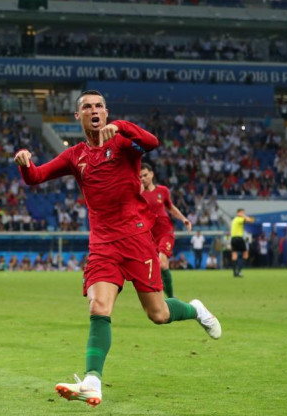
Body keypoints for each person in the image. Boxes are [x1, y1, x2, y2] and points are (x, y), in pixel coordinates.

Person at [14, 90, 220, 407]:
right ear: (77, 116)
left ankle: (195, 310)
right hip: (102, 245)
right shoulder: (74, 156)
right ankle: (93, 381)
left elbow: (152, 143)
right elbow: (36, 177)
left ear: (106, 113)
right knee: (98, 308)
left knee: (158, 314)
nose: (94, 111)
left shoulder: (123, 143)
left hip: (137, 240)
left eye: (99, 106)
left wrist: (123, 127)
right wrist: (25, 163)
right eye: (87, 107)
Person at [139, 163, 192, 298]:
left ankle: (171, 297)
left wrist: (183, 219)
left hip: (165, 231)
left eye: (145, 175)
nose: (143, 179)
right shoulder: (137, 194)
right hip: (148, 234)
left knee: (162, 263)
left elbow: (171, 207)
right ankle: (162, 294)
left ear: (152, 174)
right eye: (140, 177)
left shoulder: (163, 191)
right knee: (154, 267)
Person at [230, 209, 255, 277]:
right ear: (238, 213)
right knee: (246, 255)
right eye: (242, 212)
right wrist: (244, 215)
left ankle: (235, 273)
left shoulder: (234, 219)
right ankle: (238, 271)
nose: (243, 214)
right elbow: (250, 220)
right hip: (239, 239)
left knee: (234, 255)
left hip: (233, 239)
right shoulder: (239, 218)